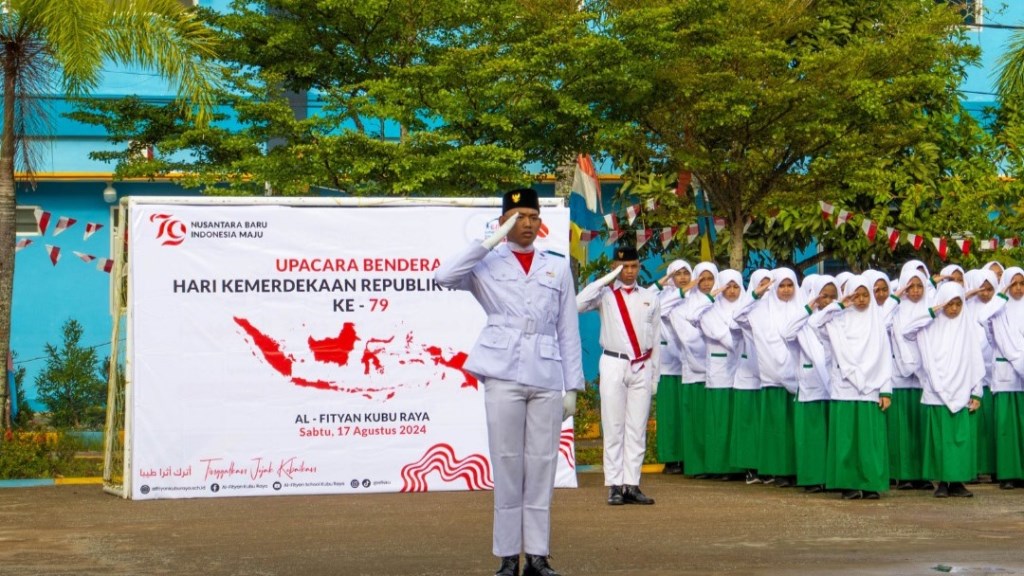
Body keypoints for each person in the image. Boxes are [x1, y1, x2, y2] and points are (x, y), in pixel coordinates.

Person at [434, 188, 583, 576]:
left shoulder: (555, 266)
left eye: (533, 217)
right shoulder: (486, 262)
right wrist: (488, 242)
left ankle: (537, 555)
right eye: (518, 217)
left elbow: (568, 329)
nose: (527, 224)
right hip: (502, 370)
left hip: (546, 372)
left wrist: (573, 387)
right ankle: (506, 556)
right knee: (506, 463)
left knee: (542, 465)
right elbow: (443, 276)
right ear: (503, 222)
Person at [577, 245, 660, 506]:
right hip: (613, 361)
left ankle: (631, 484)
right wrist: (606, 279)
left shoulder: (650, 297)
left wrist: (655, 376)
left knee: (637, 427)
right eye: (624, 267)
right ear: (615, 267)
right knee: (613, 426)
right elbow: (577, 304)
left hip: (642, 365)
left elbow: (656, 338)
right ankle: (614, 485)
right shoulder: (605, 295)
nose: (629, 271)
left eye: (634, 266)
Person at [810, 276, 893, 500]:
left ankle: (870, 484)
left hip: (872, 387)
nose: (862, 299)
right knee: (846, 439)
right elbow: (814, 323)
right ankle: (848, 484)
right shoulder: (838, 320)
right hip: (844, 386)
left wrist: (886, 390)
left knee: (869, 441)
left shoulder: (876, 321)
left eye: (866, 295)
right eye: (857, 295)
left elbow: (885, 357)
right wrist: (839, 305)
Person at [911, 282, 984, 498]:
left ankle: (958, 482)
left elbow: (975, 361)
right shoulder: (930, 327)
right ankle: (942, 482)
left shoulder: (968, 327)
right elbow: (907, 330)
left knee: (960, 440)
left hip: (962, 391)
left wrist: (976, 392)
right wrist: (932, 311)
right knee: (940, 440)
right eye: (949, 304)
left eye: (958, 304)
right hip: (937, 391)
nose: (953, 309)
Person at [655, 260, 691, 475]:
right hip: (668, 365)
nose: (683, 278)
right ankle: (671, 457)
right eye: (678, 274)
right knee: (669, 415)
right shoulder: (662, 298)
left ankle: (688, 456)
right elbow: (658, 310)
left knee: (687, 414)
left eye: (687, 273)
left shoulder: (697, 298)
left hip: (691, 365)